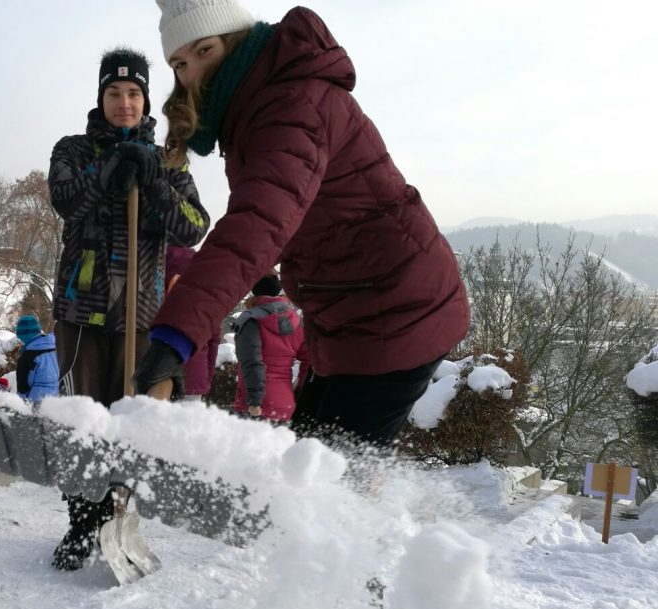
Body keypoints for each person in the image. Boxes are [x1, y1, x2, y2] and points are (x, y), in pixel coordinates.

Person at [135, 2, 470, 448]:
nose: (192, 72)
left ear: (235, 40)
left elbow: (257, 224)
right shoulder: (255, 104)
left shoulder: (289, 104)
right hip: (352, 314)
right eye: (179, 63)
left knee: (326, 478)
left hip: (398, 311)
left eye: (204, 50)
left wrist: (177, 334)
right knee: (305, 465)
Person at [47, 46, 210, 571]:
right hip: (82, 313)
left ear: (145, 99)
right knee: (82, 423)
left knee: (131, 425)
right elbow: (65, 200)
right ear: (101, 97)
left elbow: (194, 226)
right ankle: (82, 521)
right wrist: (109, 168)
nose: (124, 102)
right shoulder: (73, 149)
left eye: (134, 93)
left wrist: (154, 181)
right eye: (114, 93)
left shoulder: (169, 161)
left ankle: (117, 514)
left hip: (141, 316)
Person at [232, 273, 310, 422]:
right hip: (286, 404)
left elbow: (252, 361)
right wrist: (299, 392)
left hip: (256, 407)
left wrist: (255, 401)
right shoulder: (295, 320)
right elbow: (310, 361)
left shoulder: (251, 320)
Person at [165, 246, 219, 402]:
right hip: (194, 375)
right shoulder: (207, 291)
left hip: (157, 373)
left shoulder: (150, 279)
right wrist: (207, 377)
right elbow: (214, 339)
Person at [14, 315, 59, 402]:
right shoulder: (56, 349)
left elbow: (23, 388)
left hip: (37, 401)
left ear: (23, 336)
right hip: (58, 399)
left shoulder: (27, 356)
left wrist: (20, 403)